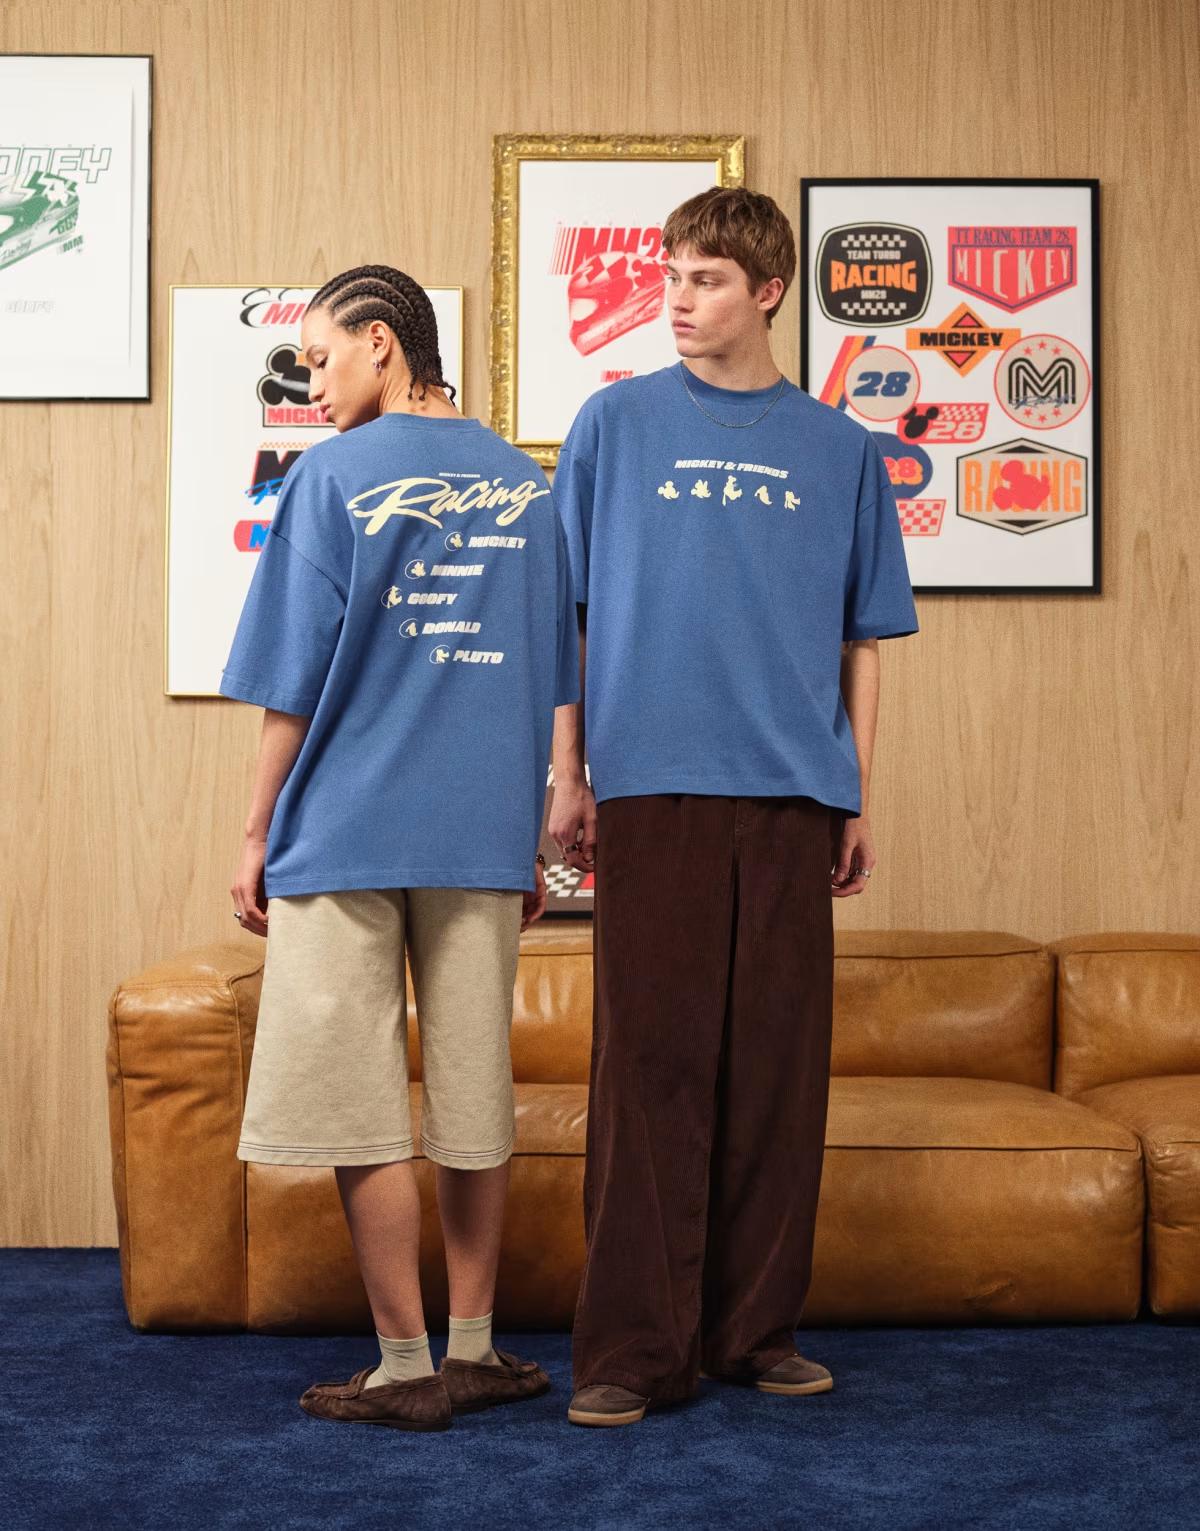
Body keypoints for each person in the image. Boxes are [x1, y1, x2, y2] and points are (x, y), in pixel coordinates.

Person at [548, 188, 919, 1427]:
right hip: (651, 784)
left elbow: (866, 640)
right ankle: (631, 1351)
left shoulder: (841, 450)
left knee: (774, 1075)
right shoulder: (613, 423)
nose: (676, 297)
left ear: (767, 291)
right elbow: (568, 614)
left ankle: (756, 1333)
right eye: (668, 273)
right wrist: (568, 770)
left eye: (703, 277)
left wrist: (854, 790)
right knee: (647, 1069)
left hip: (792, 794)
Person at [220, 265, 579, 1433]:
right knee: (475, 1088)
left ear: (382, 343)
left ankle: (406, 1364)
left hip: (344, 826)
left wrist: (256, 828)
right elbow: (550, 676)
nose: (311, 386)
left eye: (321, 359)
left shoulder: (330, 478)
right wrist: (529, 832)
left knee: (355, 1100)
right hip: (479, 829)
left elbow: (291, 679)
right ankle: (474, 1347)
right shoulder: (525, 484)